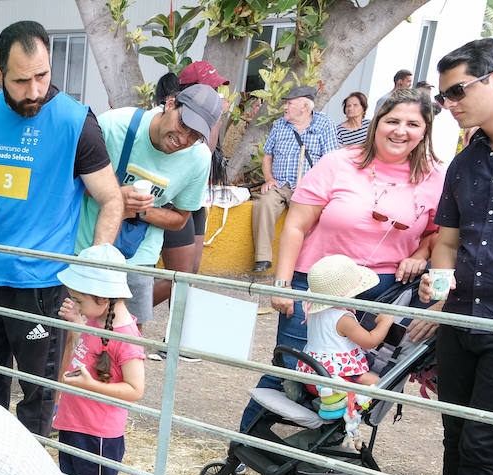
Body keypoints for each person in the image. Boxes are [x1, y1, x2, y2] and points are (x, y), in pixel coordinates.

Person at [390, 38, 493, 475]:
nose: (448, 104)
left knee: (487, 441)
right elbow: (447, 239)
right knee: (456, 431)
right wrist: (437, 292)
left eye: (456, 91)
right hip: (462, 316)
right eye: (442, 96)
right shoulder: (465, 160)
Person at [241, 86, 443, 431]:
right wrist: (282, 283)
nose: (400, 130)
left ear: (425, 130)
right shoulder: (338, 162)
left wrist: (420, 253)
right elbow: (295, 225)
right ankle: (247, 446)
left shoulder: (435, 175)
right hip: (318, 286)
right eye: (392, 120)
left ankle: (320, 460)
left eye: (413, 123)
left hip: (385, 292)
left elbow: (437, 233)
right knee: (292, 369)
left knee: (353, 381)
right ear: (376, 122)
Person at [0, 20, 122, 437]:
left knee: (37, 394)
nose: (34, 91)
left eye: (43, 76)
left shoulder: (75, 121)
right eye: (20, 80)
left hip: (43, 285)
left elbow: (111, 200)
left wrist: (93, 279)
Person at [71, 83, 218, 336]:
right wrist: (113, 197)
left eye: (194, 136)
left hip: (137, 258)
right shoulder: (113, 126)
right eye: (183, 125)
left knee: (125, 339)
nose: (183, 139)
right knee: (72, 332)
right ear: (170, 104)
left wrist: (139, 210)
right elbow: (70, 182)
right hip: (84, 248)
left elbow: (180, 219)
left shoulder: (199, 158)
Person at [53, 244, 145, 475]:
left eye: (79, 300)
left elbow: (135, 390)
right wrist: (79, 322)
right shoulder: (96, 320)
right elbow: (86, 352)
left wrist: (91, 387)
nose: (75, 304)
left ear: (103, 300)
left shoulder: (126, 337)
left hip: (100, 432)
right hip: (74, 419)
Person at [151, 61, 234, 328]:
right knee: (180, 275)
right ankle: (118, 315)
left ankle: (174, 337)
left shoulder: (207, 117)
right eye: (212, 89)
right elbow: (204, 150)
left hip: (197, 201)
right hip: (172, 201)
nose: (217, 97)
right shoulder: (175, 118)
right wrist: (216, 118)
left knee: (190, 273)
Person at [251, 85, 339, 273]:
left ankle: (305, 265)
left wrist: (315, 185)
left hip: (308, 187)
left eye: (289, 103)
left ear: (305, 107)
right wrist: (268, 178)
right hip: (281, 185)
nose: (285, 107)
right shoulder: (279, 125)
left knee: (311, 220)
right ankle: (262, 258)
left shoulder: (324, 124)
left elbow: (331, 161)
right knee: (263, 204)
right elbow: (267, 156)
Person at [294, 255, 397, 394]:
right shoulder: (343, 319)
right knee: (379, 383)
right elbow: (370, 341)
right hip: (336, 379)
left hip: (311, 373)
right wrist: (384, 322)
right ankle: (348, 404)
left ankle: (309, 396)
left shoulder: (312, 312)